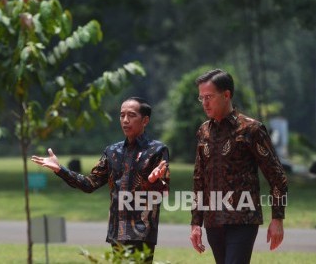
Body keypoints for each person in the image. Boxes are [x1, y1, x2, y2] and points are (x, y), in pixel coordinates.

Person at [31, 96, 169, 263]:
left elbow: (163, 191)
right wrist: (60, 169)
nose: (125, 120)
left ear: (145, 120)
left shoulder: (157, 150)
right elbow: (90, 184)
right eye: (122, 115)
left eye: (131, 115)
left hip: (142, 232)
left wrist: (154, 181)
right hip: (116, 231)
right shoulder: (112, 152)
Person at [189, 69, 288, 264]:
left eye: (209, 97)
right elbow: (199, 178)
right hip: (213, 221)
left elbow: (277, 176)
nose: (205, 103)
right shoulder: (203, 131)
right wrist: (195, 223)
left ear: (226, 95)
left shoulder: (251, 129)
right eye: (201, 98)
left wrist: (278, 218)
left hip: (243, 219)